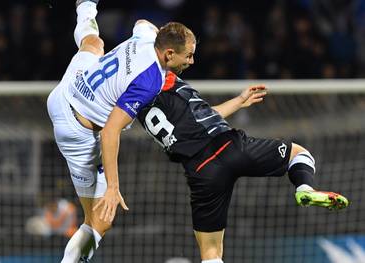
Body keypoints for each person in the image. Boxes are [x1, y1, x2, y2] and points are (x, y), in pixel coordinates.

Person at [136, 73, 349, 263]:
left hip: (201, 170)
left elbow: (201, 118)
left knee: (210, 252)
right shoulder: (160, 76)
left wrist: (238, 101)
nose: (190, 61)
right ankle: (304, 189)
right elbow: (147, 28)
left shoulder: (131, 103)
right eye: (188, 54)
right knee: (299, 153)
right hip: (228, 147)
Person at [46, 0, 196, 261]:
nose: (192, 61)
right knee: (99, 220)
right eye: (189, 55)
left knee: (93, 44)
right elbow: (110, 131)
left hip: (67, 90)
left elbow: (142, 24)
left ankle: (86, 5)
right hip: (77, 132)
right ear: (169, 54)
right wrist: (113, 187)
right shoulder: (150, 80)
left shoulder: (149, 37)